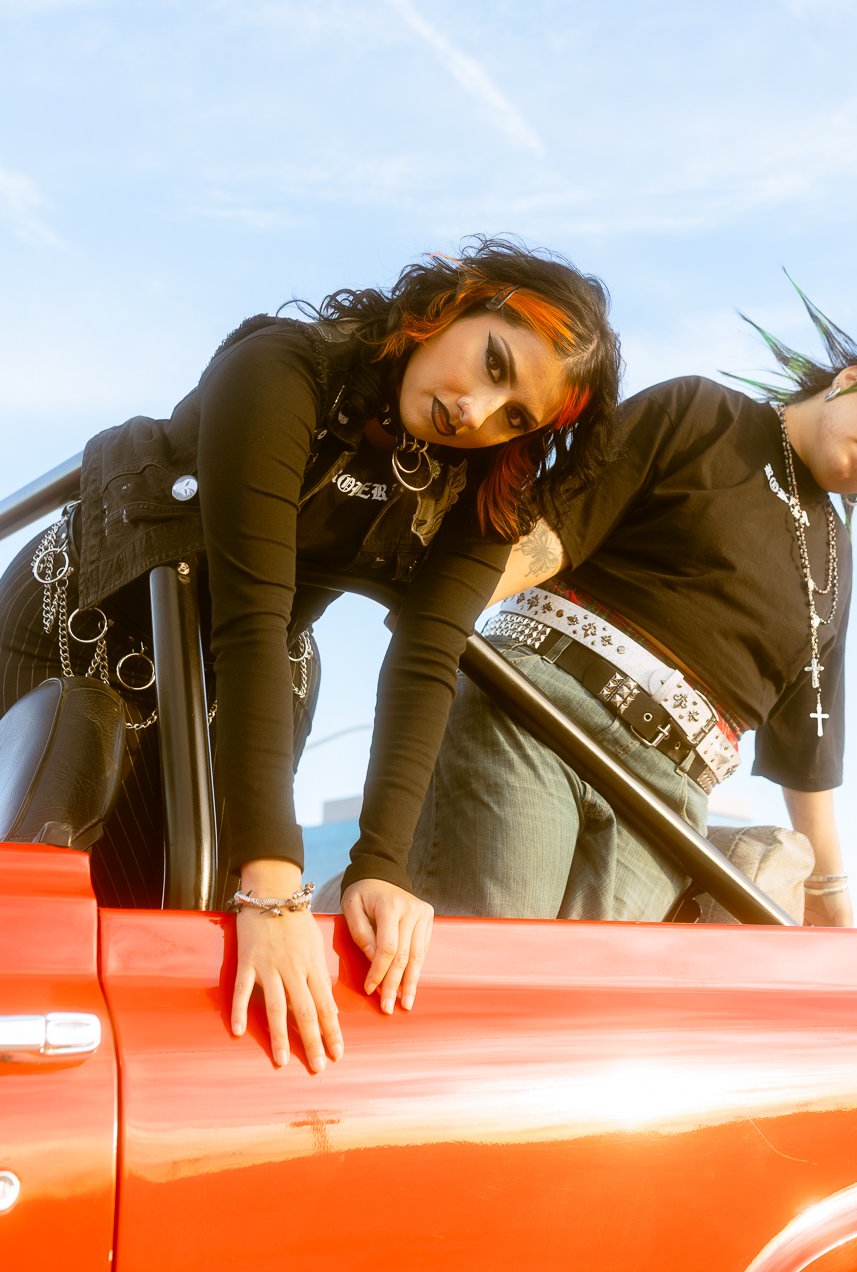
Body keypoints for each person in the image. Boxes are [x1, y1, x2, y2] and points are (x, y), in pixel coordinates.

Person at [0, 236, 620, 1072]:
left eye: (516, 417)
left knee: (159, 956)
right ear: (462, 304)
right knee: (38, 930)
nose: (477, 412)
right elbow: (251, 611)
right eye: (495, 364)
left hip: (228, 691)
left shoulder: (484, 486)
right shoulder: (282, 367)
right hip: (74, 631)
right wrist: (276, 887)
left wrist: (380, 867)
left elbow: (429, 655)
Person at [406, 282, 857, 933]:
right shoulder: (701, 411)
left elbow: (809, 738)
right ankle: (348, 910)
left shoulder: (835, 562)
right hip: (536, 710)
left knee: (582, 1014)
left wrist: (830, 892)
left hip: (670, 797)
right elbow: (548, 532)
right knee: (504, 952)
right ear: (850, 379)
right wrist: (437, 622)